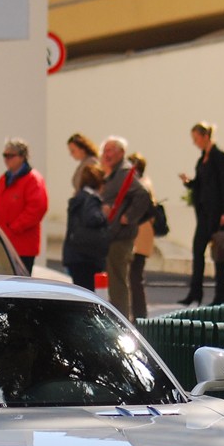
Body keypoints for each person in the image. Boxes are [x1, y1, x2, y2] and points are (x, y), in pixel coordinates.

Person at [179, 121, 224, 306]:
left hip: (217, 214)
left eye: (196, 138)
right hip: (204, 214)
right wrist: (189, 182)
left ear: (205, 136)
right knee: (198, 251)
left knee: (219, 254)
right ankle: (195, 292)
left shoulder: (220, 158)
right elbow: (201, 184)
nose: (195, 142)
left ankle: (221, 295)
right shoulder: (202, 159)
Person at [98, 136, 150, 320]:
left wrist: (128, 217)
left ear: (121, 153)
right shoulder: (114, 173)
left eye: (111, 150)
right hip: (113, 235)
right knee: (113, 281)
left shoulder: (124, 172)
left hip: (120, 237)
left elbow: (143, 195)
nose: (107, 154)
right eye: (105, 150)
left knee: (118, 282)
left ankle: (121, 320)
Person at [0, 137, 48, 273]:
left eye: (10, 156)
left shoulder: (33, 179)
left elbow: (36, 209)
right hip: (1, 244)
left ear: (22, 157)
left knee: (19, 282)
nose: (6, 159)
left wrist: (14, 228)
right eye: (5, 155)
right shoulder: (3, 179)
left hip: (22, 246)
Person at [62, 164, 108, 292]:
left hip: (74, 253)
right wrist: (104, 214)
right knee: (89, 291)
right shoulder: (92, 200)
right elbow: (93, 218)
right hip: (88, 256)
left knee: (80, 289)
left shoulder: (78, 197)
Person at [128, 153, 157, 320]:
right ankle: (138, 312)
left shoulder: (140, 184)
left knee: (135, 276)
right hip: (142, 234)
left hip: (141, 234)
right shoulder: (145, 182)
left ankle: (139, 314)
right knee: (134, 276)